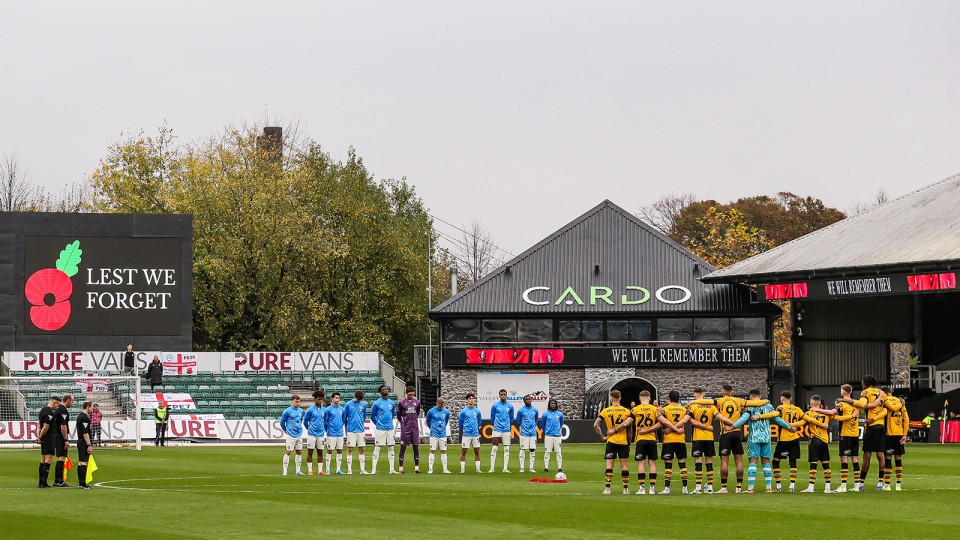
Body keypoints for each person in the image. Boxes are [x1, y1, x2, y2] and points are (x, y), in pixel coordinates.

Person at [693, 384, 767, 493]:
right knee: (739, 461)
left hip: (725, 433)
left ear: (723, 392)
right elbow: (754, 403)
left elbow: (707, 402)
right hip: (737, 432)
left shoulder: (719, 400)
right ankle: (738, 487)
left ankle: (724, 488)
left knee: (724, 462)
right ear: (732, 392)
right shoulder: (739, 400)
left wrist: (693, 402)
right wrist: (765, 401)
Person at [728, 389, 796, 493]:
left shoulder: (750, 406)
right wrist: (789, 427)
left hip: (754, 437)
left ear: (751, 397)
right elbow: (776, 418)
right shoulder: (768, 406)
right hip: (766, 438)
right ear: (760, 396)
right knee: (766, 462)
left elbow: (743, 418)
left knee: (753, 462)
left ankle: (750, 488)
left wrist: (733, 426)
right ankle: (768, 488)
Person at [839, 375, 886, 491]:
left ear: (865, 383)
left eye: (862, 382)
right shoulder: (881, 392)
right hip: (881, 426)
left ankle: (861, 483)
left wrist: (846, 400)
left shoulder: (866, 392)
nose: (861, 384)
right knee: (880, 454)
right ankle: (880, 483)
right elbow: (886, 409)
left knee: (867, 454)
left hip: (871, 426)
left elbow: (862, 404)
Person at [812, 384, 861, 492]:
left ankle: (843, 486)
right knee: (855, 459)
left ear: (843, 391)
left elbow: (832, 412)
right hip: (855, 434)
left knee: (844, 459)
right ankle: (857, 486)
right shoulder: (856, 404)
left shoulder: (841, 403)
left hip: (845, 434)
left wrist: (818, 410)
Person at [594, 389, 634, 495]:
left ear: (611, 398)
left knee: (609, 465)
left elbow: (596, 425)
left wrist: (603, 437)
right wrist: (629, 443)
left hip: (611, 441)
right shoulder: (626, 411)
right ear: (620, 398)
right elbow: (629, 429)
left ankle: (607, 489)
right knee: (624, 465)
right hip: (623, 442)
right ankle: (625, 489)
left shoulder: (605, 411)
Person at [790, 395, 832, 493]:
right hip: (824, 441)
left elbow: (801, 423)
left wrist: (790, 424)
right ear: (820, 403)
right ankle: (828, 488)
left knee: (813, 464)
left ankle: (811, 487)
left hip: (815, 440)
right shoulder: (826, 413)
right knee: (826, 464)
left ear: (811, 403)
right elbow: (836, 416)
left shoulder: (809, 413)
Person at [657, 390, 690, 494]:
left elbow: (662, 421)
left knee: (668, 464)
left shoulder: (665, 409)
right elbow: (684, 420)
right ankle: (685, 488)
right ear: (678, 398)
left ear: (669, 398)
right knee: (682, 463)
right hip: (680, 439)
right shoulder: (683, 409)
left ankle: (667, 488)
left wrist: (670, 430)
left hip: (669, 439)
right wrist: (677, 429)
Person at [771, 390, 805, 492]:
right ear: (791, 398)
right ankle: (792, 486)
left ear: (781, 398)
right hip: (795, 438)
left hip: (784, 439)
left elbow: (776, 418)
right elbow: (804, 420)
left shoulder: (780, 408)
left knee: (776, 461)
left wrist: (788, 426)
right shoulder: (797, 409)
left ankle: (778, 486)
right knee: (792, 461)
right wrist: (794, 425)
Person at [687, 387, 719, 494]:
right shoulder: (711, 406)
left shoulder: (693, 406)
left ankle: (698, 488)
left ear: (695, 395)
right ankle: (710, 488)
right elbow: (719, 417)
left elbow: (693, 422)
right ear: (703, 394)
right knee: (709, 463)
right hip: (709, 437)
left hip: (698, 437)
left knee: (698, 462)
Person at [630, 390, 660, 494]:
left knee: (641, 464)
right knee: (652, 464)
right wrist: (649, 430)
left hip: (640, 439)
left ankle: (642, 488)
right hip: (652, 439)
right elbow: (660, 423)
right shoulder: (655, 409)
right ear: (650, 398)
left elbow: (627, 422)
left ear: (640, 398)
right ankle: (652, 488)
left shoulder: (635, 409)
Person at [881, 388, 908, 491]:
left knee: (888, 458)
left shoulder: (885, 400)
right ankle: (898, 484)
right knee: (898, 458)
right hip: (900, 434)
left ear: (884, 393)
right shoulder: (900, 402)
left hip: (889, 434)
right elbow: (906, 419)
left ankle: (887, 484)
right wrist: (904, 435)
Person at [370, 385, 399, 475]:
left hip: (390, 428)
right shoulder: (377, 403)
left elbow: (392, 414)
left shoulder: (392, 403)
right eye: (383, 390)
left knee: (391, 448)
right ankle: (373, 470)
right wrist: (378, 423)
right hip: (380, 429)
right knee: (377, 448)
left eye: (386, 389)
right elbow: (372, 416)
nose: (385, 391)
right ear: (380, 392)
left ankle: (392, 469)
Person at [397, 386, 423, 473]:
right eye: (410, 394)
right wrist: (403, 422)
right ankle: (401, 467)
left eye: (412, 394)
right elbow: (399, 414)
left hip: (414, 428)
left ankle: (417, 467)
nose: (411, 396)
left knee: (416, 447)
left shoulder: (417, 402)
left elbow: (417, 412)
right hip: (405, 428)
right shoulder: (402, 403)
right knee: (403, 447)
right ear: (406, 393)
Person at [35, 396, 60, 488]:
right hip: (49, 438)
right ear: (54, 403)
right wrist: (40, 437)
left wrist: (38, 435)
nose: (58, 406)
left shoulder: (43, 410)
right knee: (48, 460)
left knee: (42, 460)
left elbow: (39, 424)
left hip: (44, 438)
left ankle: (40, 482)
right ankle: (44, 483)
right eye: (57, 404)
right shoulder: (50, 413)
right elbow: (46, 427)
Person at [489, 389, 515, 473]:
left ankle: (505, 468)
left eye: (504, 394)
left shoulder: (510, 406)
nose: (503, 396)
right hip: (497, 429)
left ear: (506, 395)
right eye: (501, 394)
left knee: (506, 449)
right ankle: (492, 468)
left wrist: (506, 425)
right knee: (494, 448)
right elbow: (492, 418)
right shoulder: (495, 406)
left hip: (506, 430)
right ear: (499, 395)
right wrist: (496, 425)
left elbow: (511, 419)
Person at [279, 395, 305, 476]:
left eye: (298, 402)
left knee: (299, 451)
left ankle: (298, 470)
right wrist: (286, 430)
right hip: (290, 434)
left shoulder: (301, 411)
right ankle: (285, 470)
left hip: (299, 434)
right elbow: (282, 422)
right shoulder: (287, 411)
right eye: (296, 401)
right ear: (292, 401)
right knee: (288, 451)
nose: (297, 403)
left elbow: (300, 420)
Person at [344, 390, 368, 475]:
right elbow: (345, 417)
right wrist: (347, 427)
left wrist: (360, 424)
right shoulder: (348, 404)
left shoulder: (363, 404)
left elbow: (364, 416)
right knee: (350, 449)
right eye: (358, 399)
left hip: (361, 430)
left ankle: (362, 470)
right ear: (355, 397)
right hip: (351, 430)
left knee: (362, 449)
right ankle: (349, 469)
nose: (358, 401)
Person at [303, 390, 327, 475]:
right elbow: (305, 422)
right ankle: (310, 470)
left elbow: (325, 421)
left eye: (321, 399)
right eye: (318, 399)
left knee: (320, 452)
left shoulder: (325, 410)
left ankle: (320, 470)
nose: (320, 401)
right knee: (310, 452)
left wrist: (323, 429)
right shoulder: (310, 410)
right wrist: (310, 429)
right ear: (315, 399)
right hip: (311, 434)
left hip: (321, 434)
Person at [53, 393, 75, 487]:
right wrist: (66, 439)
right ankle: (59, 481)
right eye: (72, 401)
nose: (72, 404)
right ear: (68, 400)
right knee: (62, 458)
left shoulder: (59, 409)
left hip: (57, 435)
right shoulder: (63, 410)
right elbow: (63, 426)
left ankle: (57, 480)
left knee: (60, 458)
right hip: (60, 436)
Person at [458, 393, 483, 473]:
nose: (471, 400)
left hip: (475, 434)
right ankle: (462, 469)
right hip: (466, 435)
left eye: (473, 398)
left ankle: (478, 469)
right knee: (464, 451)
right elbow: (461, 423)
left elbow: (479, 421)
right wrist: (466, 429)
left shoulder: (477, 411)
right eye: (470, 398)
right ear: (467, 400)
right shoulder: (463, 411)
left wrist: (476, 428)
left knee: (477, 451)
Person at [426, 397, 452, 474]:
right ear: (437, 403)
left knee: (443, 451)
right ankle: (430, 469)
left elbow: (446, 421)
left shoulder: (446, 411)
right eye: (440, 404)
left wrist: (442, 427)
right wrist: (432, 428)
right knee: (432, 451)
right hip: (434, 434)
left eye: (442, 405)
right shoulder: (431, 411)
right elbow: (428, 421)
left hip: (442, 434)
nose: (441, 406)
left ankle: (445, 469)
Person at [515, 394, 539, 473]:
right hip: (524, 433)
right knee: (522, 449)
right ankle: (522, 468)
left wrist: (532, 427)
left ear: (531, 400)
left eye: (529, 399)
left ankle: (531, 468)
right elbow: (518, 421)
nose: (528, 401)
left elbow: (536, 421)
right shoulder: (521, 410)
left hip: (533, 433)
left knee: (532, 450)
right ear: (524, 401)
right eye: (526, 399)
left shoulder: (535, 410)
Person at [539, 398, 565, 473]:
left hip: (557, 436)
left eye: (554, 403)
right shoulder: (545, 414)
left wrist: (557, 430)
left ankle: (559, 468)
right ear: (549, 405)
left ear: (556, 405)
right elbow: (542, 425)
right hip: (548, 436)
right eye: (551, 403)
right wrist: (547, 432)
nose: (553, 405)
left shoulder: (560, 414)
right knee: (547, 451)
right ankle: (546, 468)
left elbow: (561, 423)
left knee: (558, 452)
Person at [324, 392, 346, 475]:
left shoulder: (342, 409)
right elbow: (325, 422)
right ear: (332, 399)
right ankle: (327, 469)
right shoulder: (328, 409)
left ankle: (338, 469)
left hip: (340, 434)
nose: (337, 399)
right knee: (329, 450)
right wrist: (328, 430)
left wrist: (340, 427)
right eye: (336, 398)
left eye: (338, 398)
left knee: (339, 450)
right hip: (331, 434)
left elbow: (343, 420)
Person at [75, 401, 94, 489]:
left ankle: (81, 483)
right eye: (91, 407)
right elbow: (85, 432)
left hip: (80, 441)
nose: (92, 409)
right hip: (83, 442)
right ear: (87, 407)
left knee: (80, 462)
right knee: (84, 462)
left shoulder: (80, 416)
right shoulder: (85, 418)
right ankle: (82, 484)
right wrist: (89, 444)